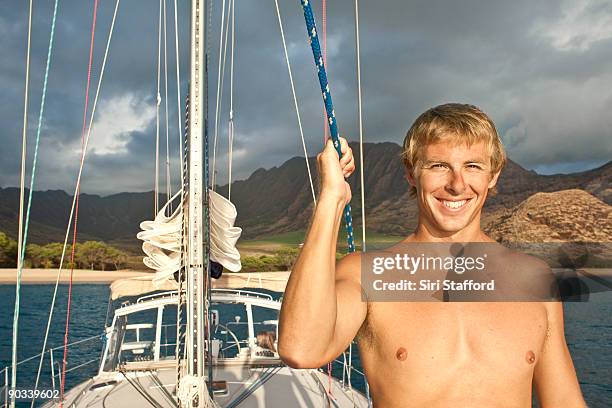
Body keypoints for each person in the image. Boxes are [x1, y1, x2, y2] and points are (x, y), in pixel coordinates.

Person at [278, 103, 586, 407]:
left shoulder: (534, 280)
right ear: (412, 174)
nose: (457, 184)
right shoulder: (369, 274)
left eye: (473, 166)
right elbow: (302, 349)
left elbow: (564, 401)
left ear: (493, 176)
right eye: (439, 166)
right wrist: (331, 198)